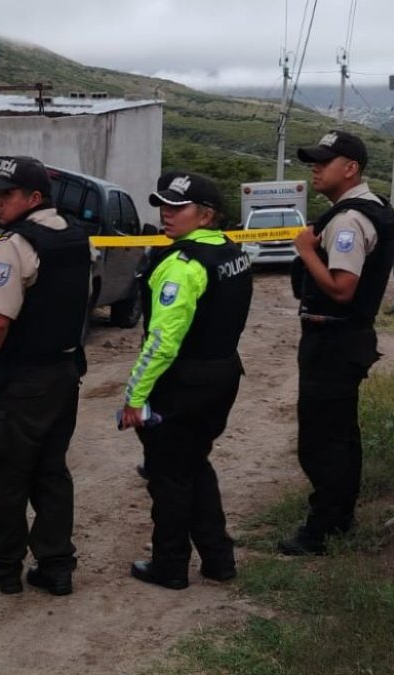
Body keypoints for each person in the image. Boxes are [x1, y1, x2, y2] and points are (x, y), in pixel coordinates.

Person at [118, 172, 252, 590]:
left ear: (206, 215)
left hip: (183, 383)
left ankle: (169, 566)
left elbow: (161, 342)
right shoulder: (233, 253)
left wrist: (134, 397)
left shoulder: (181, 265)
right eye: (163, 205)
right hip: (223, 373)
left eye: (177, 207)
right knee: (194, 464)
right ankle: (218, 558)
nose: (166, 214)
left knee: (168, 476)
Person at [0, 156, 91, 596]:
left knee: (4, 475)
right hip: (63, 374)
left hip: (20, 381)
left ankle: (4, 567)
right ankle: (56, 566)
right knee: (51, 473)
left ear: (34, 199)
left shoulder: (16, 245)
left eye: (6, 194)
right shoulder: (77, 238)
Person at [281, 130, 394, 556]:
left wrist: (305, 250)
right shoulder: (375, 207)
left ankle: (321, 529)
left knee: (321, 440)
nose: (315, 168)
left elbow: (341, 288)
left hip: (332, 340)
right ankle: (339, 517)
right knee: (341, 434)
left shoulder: (349, 220)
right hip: (348, 339)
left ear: (350, 169)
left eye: (324, 162)